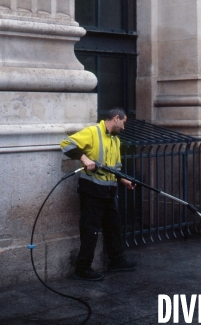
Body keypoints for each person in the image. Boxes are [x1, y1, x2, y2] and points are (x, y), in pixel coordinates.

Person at [60, 107, 137, 281]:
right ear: (116, 118)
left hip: (109, 190)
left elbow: (115, 168)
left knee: (114, 226)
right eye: (124, 123)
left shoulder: (115, 140)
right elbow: (66, 144)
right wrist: (84, 158)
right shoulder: (93, 132)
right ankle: (83, 269)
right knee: (90, 229)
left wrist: (123, 180)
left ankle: (116, 261)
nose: (124, 128)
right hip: (92, 189)